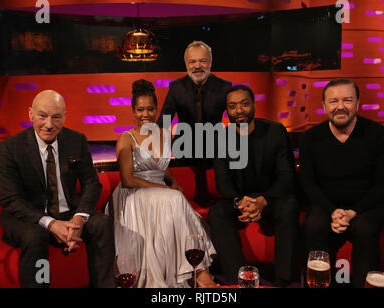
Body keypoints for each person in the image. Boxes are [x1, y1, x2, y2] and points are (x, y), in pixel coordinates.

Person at [0, 90, 115, 288]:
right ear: (30, 114)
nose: (49, 124)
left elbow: (91, 183)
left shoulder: (76, 140)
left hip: (68, 212)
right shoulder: (11, 147)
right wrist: (51, 224)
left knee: (102, 223)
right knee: (36, 235)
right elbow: (10, 199)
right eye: (42, 116)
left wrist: (78, 219)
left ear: (65, 116)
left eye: (56, 117)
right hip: (28, 215)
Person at [106, 79, 217, 288]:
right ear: (133, 111)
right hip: (133, 193)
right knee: (174, 199)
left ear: (157, 110)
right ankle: (199, 272)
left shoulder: (163, 134)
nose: (145, 114)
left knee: (176, 199)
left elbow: (161, 166)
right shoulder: (126, 138)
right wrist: (165, 189)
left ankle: (194, 269)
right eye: (140, 110)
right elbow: (127, 180)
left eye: (150, 109)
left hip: (161, 194)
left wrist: (173, 182)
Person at [300, 78, 384, 288]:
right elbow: (309, 185)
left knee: (363, 230)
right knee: (313, 225)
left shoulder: (380, 136)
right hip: (326, 205)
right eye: (333, 101)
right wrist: (332, 211)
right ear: (324, 106)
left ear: (358, 104)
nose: (340, 107)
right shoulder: (310, 138)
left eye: (347, 100)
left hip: (368, 206)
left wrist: (353, 212)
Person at [208, 85, 300, 287]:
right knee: (216, 213)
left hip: (270, 199)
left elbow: (287, 176)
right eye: (232, 106)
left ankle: (283, 281)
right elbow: (222, 180)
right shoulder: (221, 137)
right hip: (241, 202)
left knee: (290, 205)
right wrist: (239, 202)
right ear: (228, 111)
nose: (239, 110)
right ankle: (239, 281)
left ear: (254, 105)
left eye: (244, 104)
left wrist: (263, 201)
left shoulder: (275, 131)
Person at [156, 41, 232, 202]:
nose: (197, 66)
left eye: (202, 61)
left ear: (210, 63)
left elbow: (235, 118)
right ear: (186, 64)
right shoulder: (176, 87)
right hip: (186, 144)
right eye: (192, 61)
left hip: (214, 143)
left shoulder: (224, 87)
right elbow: (164, 120)